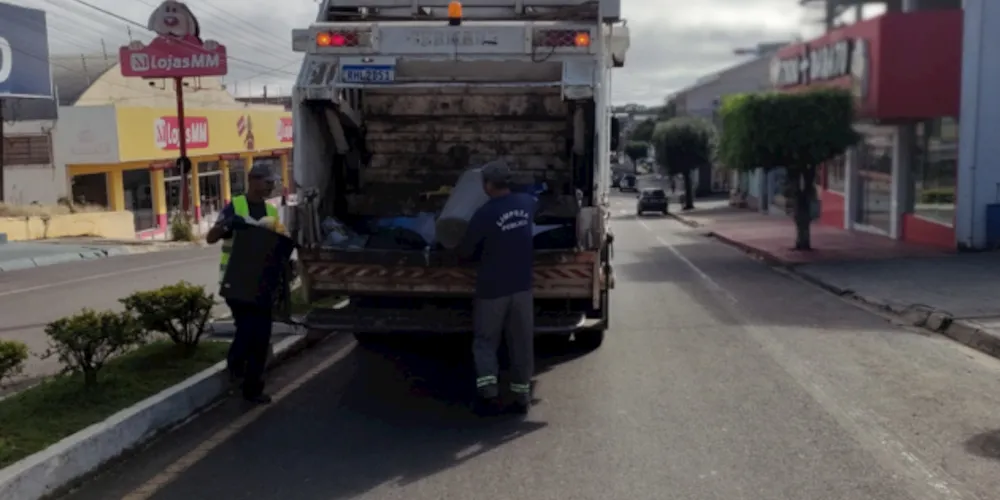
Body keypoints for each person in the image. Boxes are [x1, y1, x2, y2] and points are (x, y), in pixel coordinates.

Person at [459, 161, 536, 416]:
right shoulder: (526, 203)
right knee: (521, 343)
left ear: (488, 185)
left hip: (492, 290)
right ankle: (522, 396)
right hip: (522, 288)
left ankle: (489, 394)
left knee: (485, 342)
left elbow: (466, 251)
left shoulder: (484, 214)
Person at [206, 164, 281, 404]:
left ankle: (253, 389)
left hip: (262, 282)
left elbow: (278, 243)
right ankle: (235, 364)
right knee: (248, 330)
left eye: (273, 182)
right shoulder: (235, 206)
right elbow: (210, 238)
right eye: (267, 182)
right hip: (236, 282)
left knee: (261, 337)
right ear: (252, 180)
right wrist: (227, 225)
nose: (271, 186)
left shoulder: (271, 211)